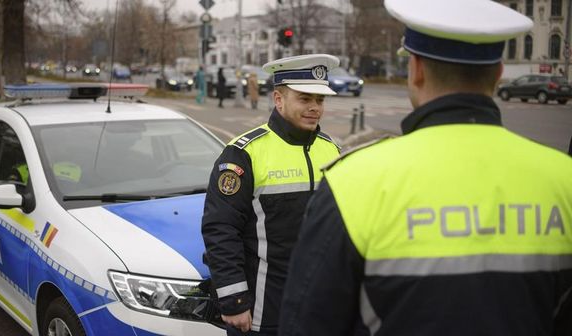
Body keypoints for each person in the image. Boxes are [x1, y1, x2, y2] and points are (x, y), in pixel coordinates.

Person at [279, 1, 572, 335]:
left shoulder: (353, 183)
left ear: (416, 70)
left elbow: (308, 322)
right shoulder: (562, 178)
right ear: (499, 73)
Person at [202, 54, 342, 335]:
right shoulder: (244, 153)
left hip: (318, 307)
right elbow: (220, 228)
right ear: (279, 99)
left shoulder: (331, 149)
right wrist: (234, 300)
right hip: (262, 313)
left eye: (320, 101)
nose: (315, 108)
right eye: (305, 99)